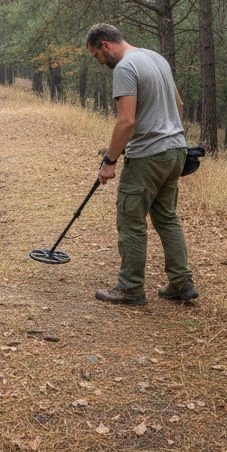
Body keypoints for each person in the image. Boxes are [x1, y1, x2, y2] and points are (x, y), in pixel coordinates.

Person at [85, 23, 198, 306]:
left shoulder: (125, 67)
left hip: (148, 156)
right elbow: (179, 105)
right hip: (176, 150)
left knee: (131, 219)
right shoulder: (156, 58)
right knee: (166, 217)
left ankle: (130, 288)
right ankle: (181, 284)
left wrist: (109, 162)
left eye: (96, 56)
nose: (99, 62)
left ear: (105, 45)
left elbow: (126, 121)